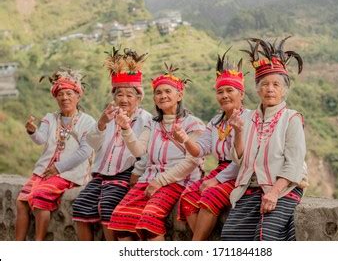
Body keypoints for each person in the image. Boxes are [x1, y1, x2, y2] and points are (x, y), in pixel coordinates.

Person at [221, 36, 308, 241]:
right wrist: (239, 133)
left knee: (265, 237)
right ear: (257, 89)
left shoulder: (292, 118)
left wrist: (274, 192)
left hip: (283, 188)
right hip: (249, 189)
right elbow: (239, 159)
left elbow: (294, 163)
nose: (270, 89)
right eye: (265, 84)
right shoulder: (246, 117)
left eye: (276, 85)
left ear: (284, 90)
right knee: (231, 238)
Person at [108, 63, 205, 241]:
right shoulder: (152, 123)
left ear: (179, 95)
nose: (163, 96)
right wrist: (126, 129)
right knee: (120, 218)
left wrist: (159, 181)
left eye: (168, 91)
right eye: (158, 93)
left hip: (178, 181)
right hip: (149, 178)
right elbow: (139, 150)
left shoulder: (193, 124)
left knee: (149, 218)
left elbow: (191, 162)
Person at [72, 47, 152, 240]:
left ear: (138, 98)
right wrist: (101, 123)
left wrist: (137, 172)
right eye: (119, 94)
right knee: (80, 207)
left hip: (126, 173)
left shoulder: (146, 119)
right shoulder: (108, 116)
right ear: (113, 96)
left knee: (109, 208)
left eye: (129, 95)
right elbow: (92, 143)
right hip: (101, 173)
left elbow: (145, 152)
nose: (123, 99)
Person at [173, 49, 250, 240]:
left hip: (240, 172)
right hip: (220, 171)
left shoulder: (250, 119)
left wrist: (216, 180)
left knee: (209, 196)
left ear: (241, 93)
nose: (224, 95)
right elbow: (199, 150)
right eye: (220, 91)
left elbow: (242, 159)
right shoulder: (216, 121)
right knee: (188, 197)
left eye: (229, 90)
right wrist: (185, 139)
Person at [16, 68, 95, 241]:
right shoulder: (50, 118)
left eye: (69, 93)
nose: (65, 98)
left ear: (78, 96)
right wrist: (32, 131)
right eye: (60, 94)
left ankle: (39, 243)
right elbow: (41, 139)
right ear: (55, 97)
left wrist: (58, 168)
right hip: (44, 171)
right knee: (21, 201)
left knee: (39, 198)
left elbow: (85, 151)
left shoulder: (87, 122)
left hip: (69, 173)